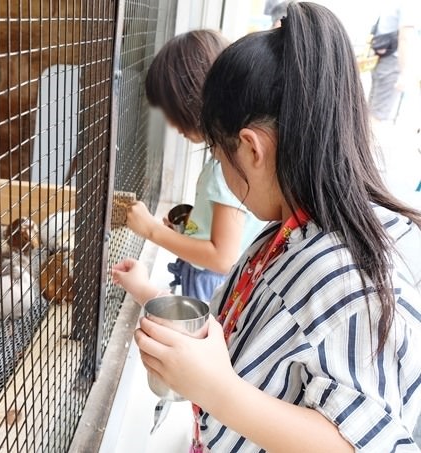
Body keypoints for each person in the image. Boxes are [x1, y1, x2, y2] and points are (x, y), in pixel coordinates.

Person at [112, 3, 421, 451]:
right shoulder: (293, 229)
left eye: (220, 157)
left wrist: (216, 390)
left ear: (251, 150)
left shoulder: (352, 279)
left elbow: (364, 441)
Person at [126, 30, 266, 303]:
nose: (170, 123)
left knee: (194, 330)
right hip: (212, 275)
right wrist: (193, 223)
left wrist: (151, 231)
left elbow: (222, 257)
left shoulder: (224, 168)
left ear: (195, 101)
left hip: (211, 280)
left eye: (171, 110)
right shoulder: (226, 158)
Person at [369, 0, 419, 124]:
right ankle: (365, 143)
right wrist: (404, 73)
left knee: (372, 110)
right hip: (393, 63)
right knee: (378, 115)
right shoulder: (409, 4)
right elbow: (405, 38)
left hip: (382, 60)